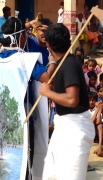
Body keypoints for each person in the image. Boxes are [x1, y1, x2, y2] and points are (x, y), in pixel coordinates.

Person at [1, 17, 57, 180]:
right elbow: (46, 78)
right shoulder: (24, 60)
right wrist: (52, 60)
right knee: (24, 168)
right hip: (25, 121)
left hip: (3, 121)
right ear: (22, 36)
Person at [39, 23, 95, 180]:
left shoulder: (68, 64)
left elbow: (72, 99)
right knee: (52, 175)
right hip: (64, 125)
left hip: (75, 128)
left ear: (48, 44)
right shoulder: (61, 63)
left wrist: (48, 92)